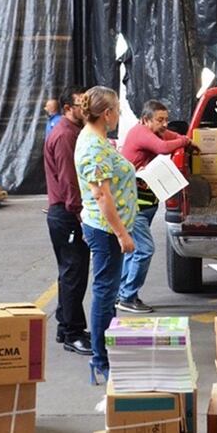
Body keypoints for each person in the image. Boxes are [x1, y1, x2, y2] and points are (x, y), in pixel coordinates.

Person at [75, 86, 137, 385]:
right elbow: (101, 195)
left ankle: (106, 353)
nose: (119, 114)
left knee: (108, 291)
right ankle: (100, 359)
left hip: (105, 227)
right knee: (104, 292)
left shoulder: (97, 140)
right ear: (107, 113)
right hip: (105, 230)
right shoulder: (93, 146)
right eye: (118, 109)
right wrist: (122, 234)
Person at [118, 100, 192, 313]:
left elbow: (173, 138)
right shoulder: (140, 132)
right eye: (160, 120)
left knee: (133, 251)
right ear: (145, 119)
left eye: (166, 119)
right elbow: (163, 147)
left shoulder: (157, 132)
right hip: (134, 205)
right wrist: (184, 142)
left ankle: (122, 293)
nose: (165, 124)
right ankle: (128, 296)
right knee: (144, 250)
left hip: (146, 202)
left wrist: (185, 140)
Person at [44, 91, 92, 356]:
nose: (86, 110)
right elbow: (69, 180)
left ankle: (67, 326)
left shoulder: (73, 131)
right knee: (73, 274)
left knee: (69, 273)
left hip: (65, 213)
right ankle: (72, 334)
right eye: (81, 105)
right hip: (66, 214)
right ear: (67, 108)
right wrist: (80, 215)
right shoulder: (64, 136)